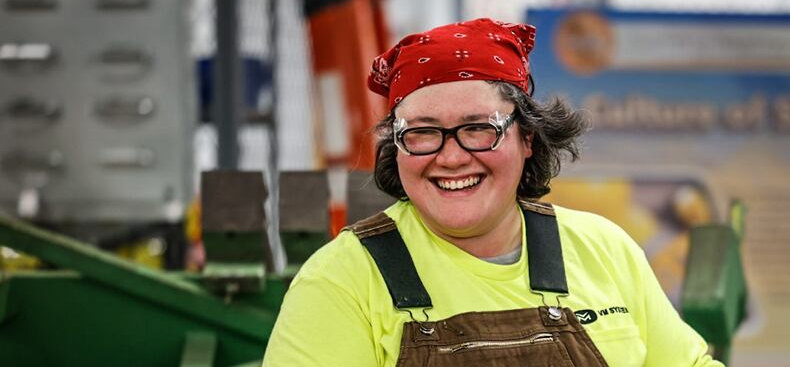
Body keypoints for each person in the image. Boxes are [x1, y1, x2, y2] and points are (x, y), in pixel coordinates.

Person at [262, 18, 723, 366]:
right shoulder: (342, 281)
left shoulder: (603, 249)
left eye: (478, 128)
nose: (452, 156)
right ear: (396, 148)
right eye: (422, 133)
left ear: (527, 139)